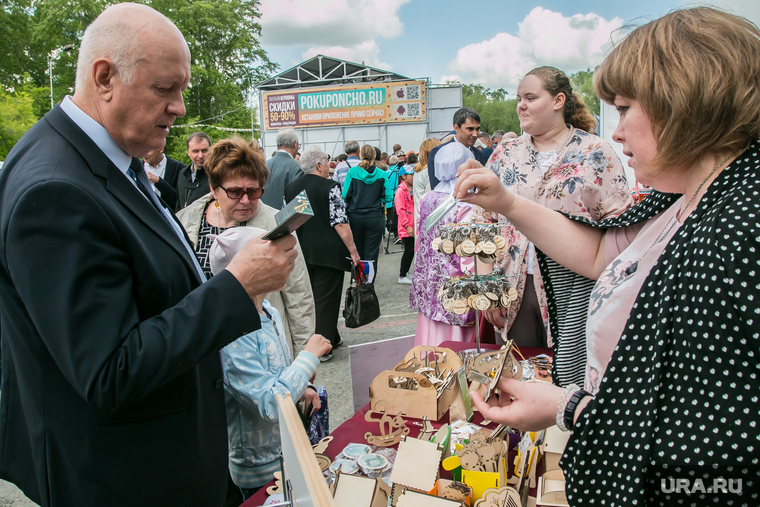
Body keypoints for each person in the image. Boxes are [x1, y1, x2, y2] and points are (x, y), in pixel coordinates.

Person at [458, 7, 760, 505]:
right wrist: (506, 203)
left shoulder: (737, 231)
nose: (616, 133)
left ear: (679, 104)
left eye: (623, 108)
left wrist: (570, 408)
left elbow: (711, 456)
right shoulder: (691, 196)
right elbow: (599, 249)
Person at [0, 4, 298, 507]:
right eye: (165, 89)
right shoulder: (55, 190)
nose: (181, 107)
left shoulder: (107, 160)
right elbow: (109, 370)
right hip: (128, 479)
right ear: (104, 78)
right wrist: (237, 288)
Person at [476, 66, 631, 387]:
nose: (521, 105)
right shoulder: (505, 152)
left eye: (531, 97)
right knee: (516, 374)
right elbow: (484, 221)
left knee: (569, 378)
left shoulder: (594, 152)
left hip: (575, 288)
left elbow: (618, 222)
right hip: (512, 285)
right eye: (519, 98)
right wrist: (487, 284)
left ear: (559, 100)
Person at [207, 227, 331, 500]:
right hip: (260, 468)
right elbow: (270, 402)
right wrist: (307, 359)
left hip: (286, 450)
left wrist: (301, 390)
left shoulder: (269, 311)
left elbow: (274, 374)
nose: (285, 263)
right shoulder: (233, 333)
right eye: (272, 256)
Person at [177, 137, 315, 355]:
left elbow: (298, 295)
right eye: (234, 192)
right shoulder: (186, 222)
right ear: (214, 189)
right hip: (204, 349)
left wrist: (303, 360)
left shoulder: (275, 223)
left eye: (253, 191)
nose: (245, 200)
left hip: (262, 355)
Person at [285, 146, 361, 361]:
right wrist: (354, 252)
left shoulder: (292, 188)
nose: (329, 165)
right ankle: (323, 347)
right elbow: (340, 223)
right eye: (327, 161)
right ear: (319, 165)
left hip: (302, 250)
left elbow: (288, 221)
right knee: (326, 300)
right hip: (328, 251)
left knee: (311, 297)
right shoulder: (330, 187)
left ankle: (332, 337)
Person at [410, 142, 477, 346]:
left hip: (430, 284)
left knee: (429, 341)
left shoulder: (427, 199)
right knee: (455, 346)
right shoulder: (466, 203)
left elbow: (419, 242)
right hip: (455, 288)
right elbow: (469, 258)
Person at [342, 144, 389, 275]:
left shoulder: (352, 172)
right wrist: (381, 202)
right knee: (372, 254)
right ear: (374, 156)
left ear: (360, 155)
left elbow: (345, 195)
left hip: (355, 216)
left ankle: (359, 282)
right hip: (374, 217)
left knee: (358, 252)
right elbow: (388, 196)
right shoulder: (382, 174)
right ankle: (368, 285)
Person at [428, 107, 488, 190]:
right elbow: (436, 187)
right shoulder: (439, 152)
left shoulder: (479, 154)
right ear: (456, 128)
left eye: (477, 129)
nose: (475, 134)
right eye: (470, 129)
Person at [262, 128, 303, 209]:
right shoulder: (296, 168)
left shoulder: (264, 166)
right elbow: (298, 202)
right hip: (284, 219)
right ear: (295, 144)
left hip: (263, 217)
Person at [412, 138, 441, 237]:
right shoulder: (430, 172)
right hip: (430, 218)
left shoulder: (418, 171)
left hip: (420, 216)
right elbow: (431, 196)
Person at [177, 131, 212, 210]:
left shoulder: (216, 174)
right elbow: (179, 204)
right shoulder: (183, 174)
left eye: (204, 151)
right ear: (188, 152)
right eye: (195, 151)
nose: (200, 156)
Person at [395, 165, 415, 284]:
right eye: (412, 175)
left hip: (412, 225)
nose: (414, 177)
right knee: (408, 250)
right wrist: (407, 225)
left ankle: (406, 272)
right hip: (406, 226)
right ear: (404, 176)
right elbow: (400, 210)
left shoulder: (412, 188)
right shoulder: (400, 191)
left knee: (411, 250)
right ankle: (402, 275)